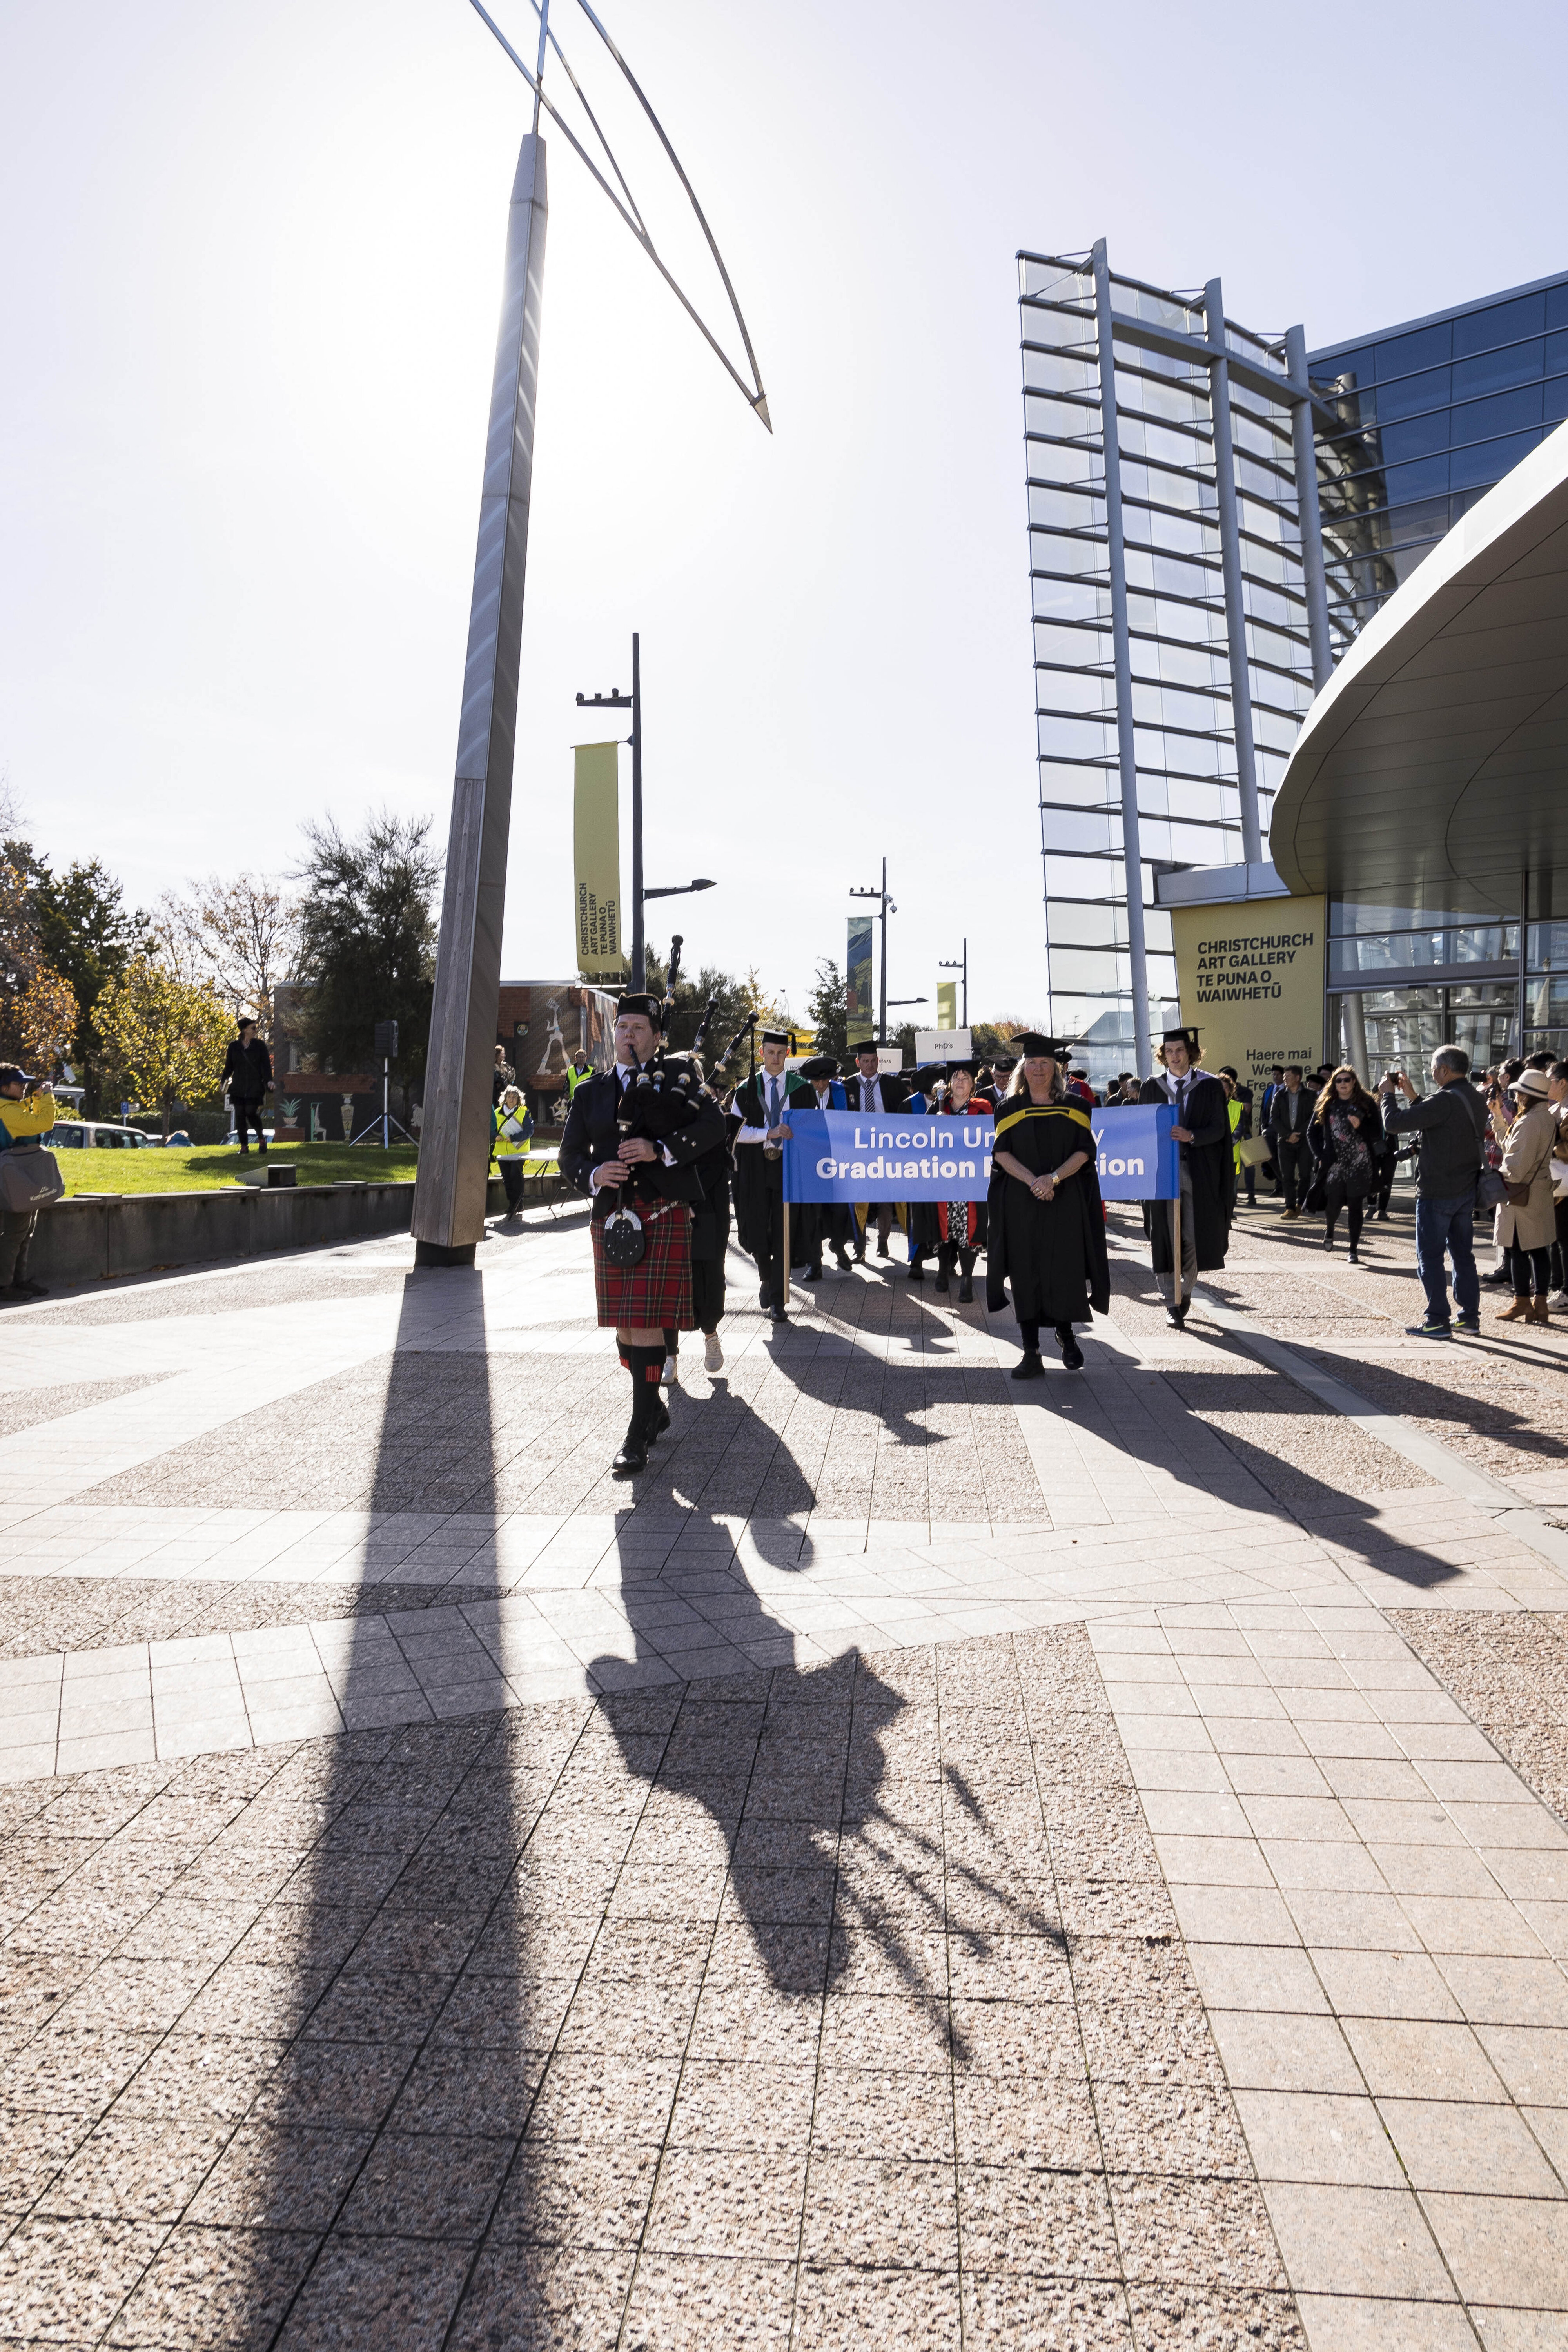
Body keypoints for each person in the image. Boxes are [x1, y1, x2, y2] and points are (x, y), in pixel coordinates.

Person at [559, 992, 725, 1474]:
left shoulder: (678, 1078)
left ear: (656, 1037)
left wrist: (662, 1151)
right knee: (624, 1327)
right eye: (622, 1027)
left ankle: (636, 1435)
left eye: (637, 1028)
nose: (627, 1035)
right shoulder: (591, 1091)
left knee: (646, 1321)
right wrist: (595, 1174)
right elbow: (570, 1156)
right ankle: (652, 1407)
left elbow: (714, 1125)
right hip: (613, 1218)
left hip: (662, 1210)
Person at [987, 1036, 1109, 1376]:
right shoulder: (1008, 1109)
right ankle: (1031, 1353)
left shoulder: (1077, 1106)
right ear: (1022, 1070)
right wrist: (1035, 1182)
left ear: (1055, 1069)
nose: (1038, 1069)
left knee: (1064, 1269)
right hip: (1022, 1201)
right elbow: (1001, 1154)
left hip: (1065, 1200)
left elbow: (1085, 1152)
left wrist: (1053, 1179)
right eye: (1031, 1064)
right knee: (1026, 1272)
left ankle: (1067, 1336)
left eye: (1044, 1064)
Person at [1380, 1047, 1489, 1339]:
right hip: (1466, 1188)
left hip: (1437, 1190)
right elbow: (1441, 1124)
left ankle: (1437, 1320)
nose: (1431, 1072)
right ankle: (1469, 1318)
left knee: (1429, 1256)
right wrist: (1414, 1096)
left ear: (1443, 1070)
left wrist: (1388, 1095)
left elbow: (1394, 1124)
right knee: (1463, 1256)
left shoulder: (1444, 1099)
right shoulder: (1475, 1098)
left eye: (1432, 1067)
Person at [1139, 1027, 1232, 1329]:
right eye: (1169, 1051)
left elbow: (1220, 1129)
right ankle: (1171, 1301)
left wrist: (1192, 1136)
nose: (1175, 1056)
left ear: (1190, 1053)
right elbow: (1140, 1130)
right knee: (1165, 1237)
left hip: (1198, 1172)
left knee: (1194, 1237)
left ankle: (1186, 1291)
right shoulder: (1151, 1088)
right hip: (1162, 1173)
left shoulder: (1210, 1086)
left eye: (1180, 1050)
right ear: (1163, 1055)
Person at [730, 1030, 812, 1320]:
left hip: (788, 1169)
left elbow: (811, 1131)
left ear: (787, 1055)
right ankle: (765, 1275)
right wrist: (770, 1132)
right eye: (770, 1052)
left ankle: (778, 1298)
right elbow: (736, 1133)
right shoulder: (745, 1090)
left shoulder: (802, 1089)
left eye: (781, 1053)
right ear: (762, 1053)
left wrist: (795, 1135)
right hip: (754, 1167)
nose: (775, 1058)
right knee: (755, 1228)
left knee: (783, 1229)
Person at [909, 1061, 991, 1301]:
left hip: (971, 1181)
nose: (960, 1082)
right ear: (949, 1084)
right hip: (943, 1181)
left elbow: (990, 1140)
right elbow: (921, 1137)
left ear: (973, 1084)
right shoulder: (938, 1105)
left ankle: (966, 1279)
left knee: (969, 1230)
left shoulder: (983, 1108)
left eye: (966, 1078)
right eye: (956, 1078)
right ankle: (943, 1272)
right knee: (944, 1230)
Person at [1490, 1065, 1558, 1323]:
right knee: (1539, 1249)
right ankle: (1540, 1304)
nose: (1516, 1096)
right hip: (1539, 1191)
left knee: (1517, 1251)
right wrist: (1498, 1118)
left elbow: (1515, 1167)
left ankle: (1522, 1303)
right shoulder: (1545, 1117)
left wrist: (1494, 1180)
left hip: (1520, 1196)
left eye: (1520, 1092)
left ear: (1528, 1095)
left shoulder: (1528, 1121)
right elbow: (1511, 1146)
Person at [1308, 1066, 1384, 1263]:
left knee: (1356, 1205)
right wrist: (1320, 1155)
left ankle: (1353, 1250)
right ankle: (1331, 1229)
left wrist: (1361, 1126)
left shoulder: (1366, 1102)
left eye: (1347, 1080)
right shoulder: (1327, 1103)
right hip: (1335, 1163)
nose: (1343, 1084)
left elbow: (1378, 1132)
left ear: (1354, 1082)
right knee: (1333, 1203)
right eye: (1338, 1081)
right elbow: (1312, 1133)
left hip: (1360, 1162)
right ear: (1334, 1084)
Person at [842, 1043, 909, 1260]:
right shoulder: (847, 1086)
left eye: (873, 1061)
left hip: (887, 1150)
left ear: (878, 1061)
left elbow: (905, 1114)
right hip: (859, 1151)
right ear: (858, 1062)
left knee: (885, 1199)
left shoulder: (892, 1084)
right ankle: (859, 1248)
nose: (870, 1065)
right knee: (859, 1198)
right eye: (865, 1061)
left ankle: (883, 1242)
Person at [791, 1055, 854, 1281]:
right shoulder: (798, 1094)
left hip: (836, 1160)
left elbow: (851, 1123)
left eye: (825, 1080)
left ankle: (838, 1246)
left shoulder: (842, 1092)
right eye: (816, 1081)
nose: (821, 1085)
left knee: (839, 1210)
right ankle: (814, 1263)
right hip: (808, 1161)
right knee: (812, 1214)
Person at [0, 1066, 57, 1301]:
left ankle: (18, 1280)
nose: (24, 1086)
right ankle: (4, 1286)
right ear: (3, 1088)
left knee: (25, 1231)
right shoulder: (6, 1110)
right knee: (15, 1233)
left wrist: (36, 1099)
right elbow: (43, 1124)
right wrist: (47, 1097)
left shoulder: (11, 1107)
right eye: (18, 1083)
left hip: (19, 1172)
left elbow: (32, 1122)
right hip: (14, 1175)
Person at [1268, 1066, 1313, 1219]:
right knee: (1286, 1176)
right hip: (1285, 1141)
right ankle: (1289, 1207)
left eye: (1288, 1076)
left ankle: (1301, 1204)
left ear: (1298, 1078)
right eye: (1284, 1076)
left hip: (1304, 1141)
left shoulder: (1310, 1095)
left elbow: (1314, 1118)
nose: (1284, 1079)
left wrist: (1298, 1134)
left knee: (1305, 1174)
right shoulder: (1280, 1095)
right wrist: (1288, 1135)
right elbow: (1274, 1119)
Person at [222, 1019, 272, 1155]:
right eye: (253, 1028)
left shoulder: (260, 1046)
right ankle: (244, 1147)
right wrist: (223, 1082)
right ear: (244, 1030)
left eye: (256, 1028)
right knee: (240, 1116)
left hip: (255, 1087)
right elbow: (229, 1066)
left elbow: (266, 1065)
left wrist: (269, 1081)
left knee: (250, 1112)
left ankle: (261, 1139)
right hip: (238, 1087)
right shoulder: (234, 1047)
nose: (256, 1031)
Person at [490, 1084, 534, 1217]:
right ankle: (512, 1204)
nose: (512, 1100)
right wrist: (495, 1136)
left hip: (518, 1153)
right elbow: (491, 1129)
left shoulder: (524, 1113)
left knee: (516, 1177)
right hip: (502, 1153)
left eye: (515, 1097)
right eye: (509, 1097)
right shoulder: (497, 1113)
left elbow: (530, 1131)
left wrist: (514, 1138)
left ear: (519, 1100)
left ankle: (518, 1204)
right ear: (505, 1098)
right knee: (507, 1179)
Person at [1220, 1068, 1257, 1210]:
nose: (1223, 1091)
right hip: (1215, 1152)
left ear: (1231, 1089)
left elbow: (1240, 1127)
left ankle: (1231, 1210)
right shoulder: (1208, 1107)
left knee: (1232, 1185)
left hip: (1232, 1151)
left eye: (1225, 1088)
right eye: (1220, 1088)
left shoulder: (1237, 1106)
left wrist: (1228, 1142)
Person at [1547, 1062, 1568, 1311]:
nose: (1546, 1083)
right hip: (1560, 1186)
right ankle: (1557, 1287)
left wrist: (1551, 1147)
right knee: (1557, 1239)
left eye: (1549, 1079)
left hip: (1565, 1185)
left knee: (1563, 1240)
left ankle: (1564, 1292)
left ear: (1563, 1083)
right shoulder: (1557, 1108)